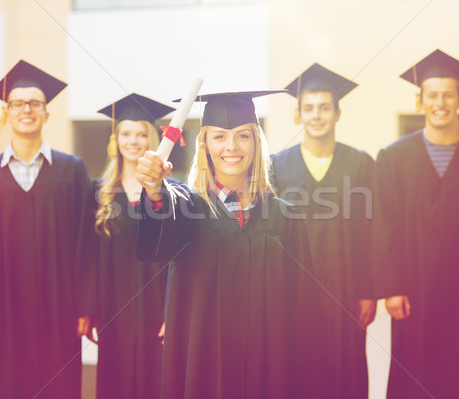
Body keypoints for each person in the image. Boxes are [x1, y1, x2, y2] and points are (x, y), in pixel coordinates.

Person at [135, 90, 324, 399]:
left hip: (270, 370)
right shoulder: (188, 209)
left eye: (242, 136)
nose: (231, 147)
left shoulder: (284, 217)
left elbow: (305, 313)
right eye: (219, 137)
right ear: (205, 145)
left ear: (256, 142)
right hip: (204, 368)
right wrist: (156, 191)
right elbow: (162, 215)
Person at [372, 49, 459, 399]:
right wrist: (390, 287)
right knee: (414, 378)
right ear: (420, 101)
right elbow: (384, 226)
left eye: (448, 94)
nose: (440, 102)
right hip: (414, 292)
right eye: (432, 95)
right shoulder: (393, 157)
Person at [0, 60, 92, 399]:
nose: (26, 109)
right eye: (18, 103)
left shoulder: (72, 170)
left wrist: (86, 306)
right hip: (1, 310)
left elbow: (85, 243)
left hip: (60, 307)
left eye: (34, 103)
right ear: (7, 113)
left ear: (46, 113)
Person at [271, 63, 376, 398]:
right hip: (292, 292)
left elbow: (373, 233)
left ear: (338, 113)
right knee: (296, 373)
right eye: (309, 108)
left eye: (324, 108)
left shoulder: (361, 163)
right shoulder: (277, 165)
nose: (316, 115)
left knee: (346, 374)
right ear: (298, 115)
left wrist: (369, 291)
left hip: (347, 289)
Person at [85, 93, 174, 398]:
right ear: (116, 139)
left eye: (141, 134)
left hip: (156, 305)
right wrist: (90, 307)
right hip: (114, 307)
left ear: (152, 139)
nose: (133, 141)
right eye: (125, 133)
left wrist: (171, 310)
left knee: (158, 379)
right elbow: (88, 256)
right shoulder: (98, 191)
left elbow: (178, 256)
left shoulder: (168, 192)